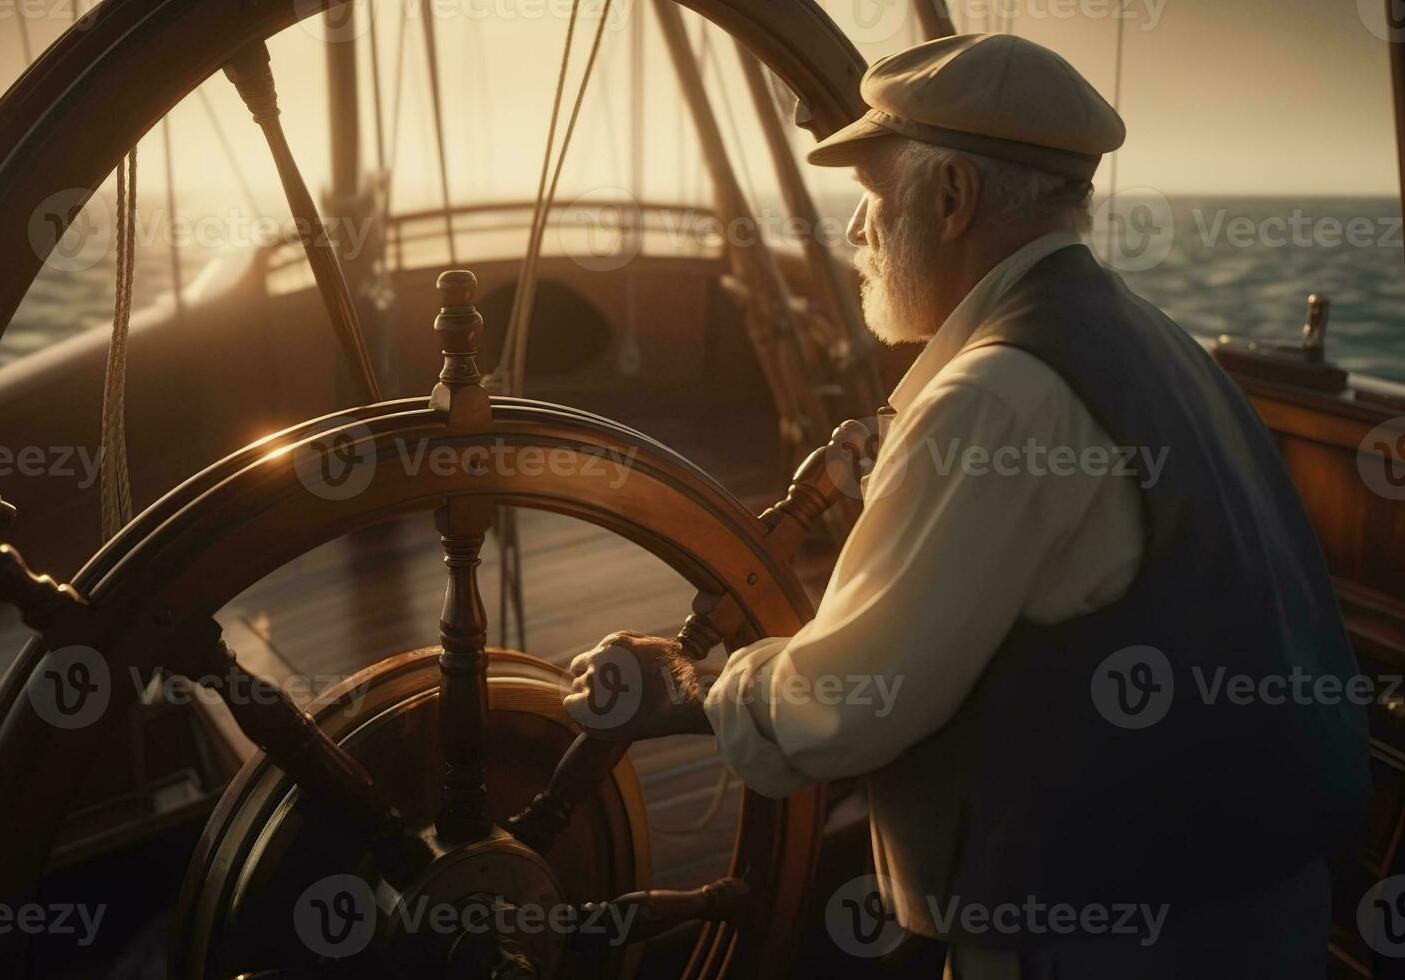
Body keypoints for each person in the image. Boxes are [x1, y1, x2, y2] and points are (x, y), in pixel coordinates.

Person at [564, 33, 1369, 979]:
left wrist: (694, 686)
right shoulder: (1153, 338)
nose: (857, 232)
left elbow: (854, 704)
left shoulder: (993, 396)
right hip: (1260, 908)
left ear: (950, 199)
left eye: (871, 195)